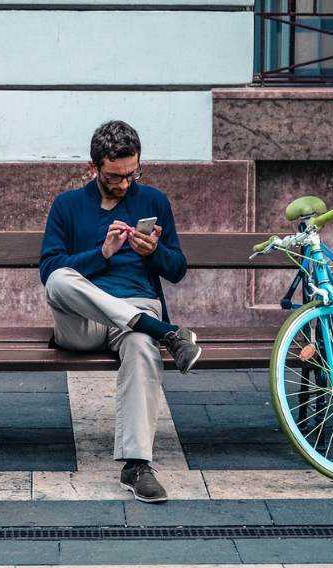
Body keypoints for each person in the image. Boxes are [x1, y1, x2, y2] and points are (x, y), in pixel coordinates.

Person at [39, 120, 201, 503]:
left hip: (135, 307)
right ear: (94, 167)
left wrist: (153, 253)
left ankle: (137, 465)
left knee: (143, 345)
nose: (125, 183)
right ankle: (162, 329)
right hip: (82, 321)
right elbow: (50, 269)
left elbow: (177, 269)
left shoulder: (155, 202)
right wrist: (102, 255)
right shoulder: (67, 205)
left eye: (132, 174)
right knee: (60, 280)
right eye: (115, 176)